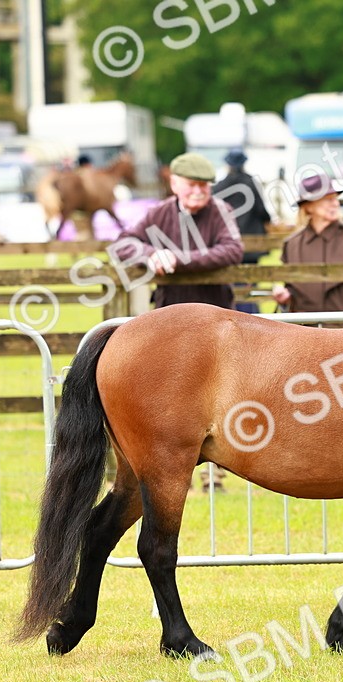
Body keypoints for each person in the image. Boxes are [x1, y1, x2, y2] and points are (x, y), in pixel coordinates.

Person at [111, 151, 243, 493]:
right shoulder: (158, 214)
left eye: (205, 186)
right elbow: (123, 244)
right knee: (171, 398)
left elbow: (231, 250)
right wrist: (150, 254)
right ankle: (161, 464)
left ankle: (217, 469)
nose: (200, 191)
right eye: (193, 185)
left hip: (217, 321)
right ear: (175, 184)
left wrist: (180, 259)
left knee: (221, 395)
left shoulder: (221, 211)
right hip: (169, 320)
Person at [272, 174, 343, 314]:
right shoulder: (292, 244)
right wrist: (285, 297)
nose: (335, 203)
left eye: (335, 198)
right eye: (328, 199)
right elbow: (292, 289)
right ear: (309, 206)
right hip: (303, 330)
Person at [213, 148, 273, 313]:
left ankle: (234, 312)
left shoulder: (219, 187)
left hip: (227, 245)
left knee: (231, 282)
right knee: (250, 282)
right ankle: (251, 314)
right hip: (250, 245)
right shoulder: (250, 183)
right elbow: (262, 211)